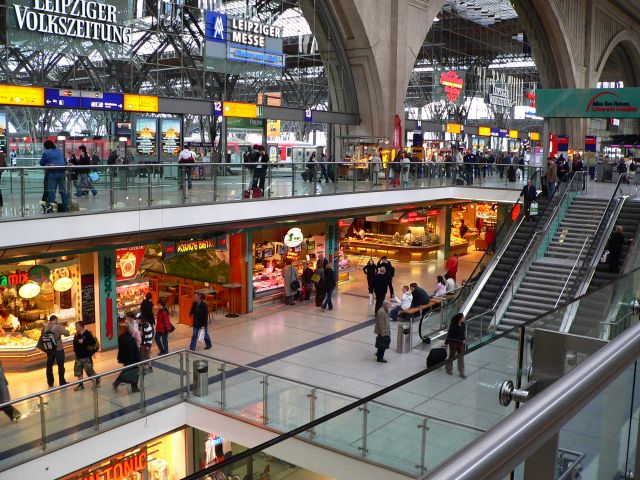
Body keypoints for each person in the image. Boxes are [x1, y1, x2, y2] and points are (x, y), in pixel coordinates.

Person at [40, 315, 69, 388]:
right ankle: (62, 382)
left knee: (49, 366)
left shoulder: (45, 327)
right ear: (55, 320)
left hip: (49, 349)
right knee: (61, 366)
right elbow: (67, 333)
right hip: (58, 349)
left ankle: (50, 382)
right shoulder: (58, 327)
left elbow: (42, 335)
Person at [39, 140, 68, 213]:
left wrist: (48, 163)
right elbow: (62, 161)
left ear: (46, 146)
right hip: (62, 171)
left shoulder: (46, 152)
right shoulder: (59, 150)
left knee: (52, 191)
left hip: (53, 172)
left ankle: (52, 208)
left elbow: (41, 163)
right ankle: (65, 207)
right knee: (63, 190)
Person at [113, 322, 141, 393]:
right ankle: (134, 388)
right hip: (131, 359)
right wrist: (138, 360)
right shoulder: (130, 339)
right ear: (130, 330)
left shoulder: (121, 336)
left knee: (127, 371)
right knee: (134, 372)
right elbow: (133, 351)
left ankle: (117, 383)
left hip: (124, 358)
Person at [72, 321, 99, 391]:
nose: (75, 328)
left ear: (81, 327)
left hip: (86, 357)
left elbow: (92, 342)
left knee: (90, 372)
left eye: (77, 326)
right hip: (78, 357)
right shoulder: (76, 335)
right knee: (78, 372)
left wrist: (83, 341)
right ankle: (81, 385)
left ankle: (97, 379)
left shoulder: (87, 334)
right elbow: (74, 344)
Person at [445, 313, 466, 378]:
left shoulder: (463, 324)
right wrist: (446, 342)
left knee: (461, 357)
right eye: (463, 317)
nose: (464, 318)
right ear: (459, 319)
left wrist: (464, 340)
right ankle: (448, 369)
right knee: (452, 356)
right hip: (453, 342)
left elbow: (463, 334)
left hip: (460, 343)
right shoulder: (453, 325)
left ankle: (461, 372)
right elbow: (449, 334)